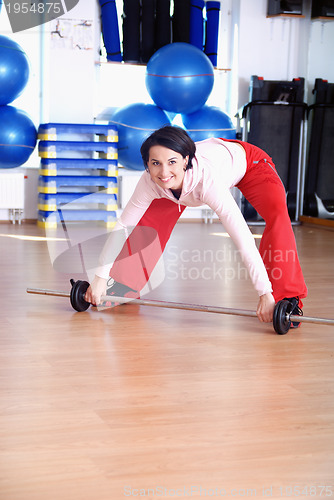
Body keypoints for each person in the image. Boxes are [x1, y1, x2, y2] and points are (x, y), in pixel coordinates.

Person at [85, 125, 307, 325]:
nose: (163, 172)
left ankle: (287, 296)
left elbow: (243, 238)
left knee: (278, 214)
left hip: (249, 162)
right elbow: (123, 226)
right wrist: (100, 279)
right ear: (147, 165)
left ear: (185, 160)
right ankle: (122, 285)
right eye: (155, 164)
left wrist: (264, 293)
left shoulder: (207, 182)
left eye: (172, 162)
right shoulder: (153, 181)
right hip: (199, 168)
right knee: (149, 225)